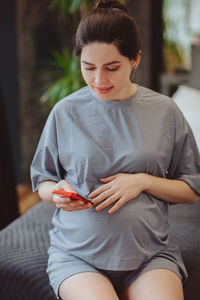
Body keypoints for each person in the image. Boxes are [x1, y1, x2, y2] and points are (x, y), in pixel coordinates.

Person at [31, 1, 200, 299]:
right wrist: (57, 193)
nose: (98, 80)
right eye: (88, 67)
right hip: (78, 257)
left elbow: (191, 189)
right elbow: (42, 182)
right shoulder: (65, 112)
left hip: (150, 256)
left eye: (111, 68)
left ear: (135, 60)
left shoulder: (165, 111)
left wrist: (143, 181)